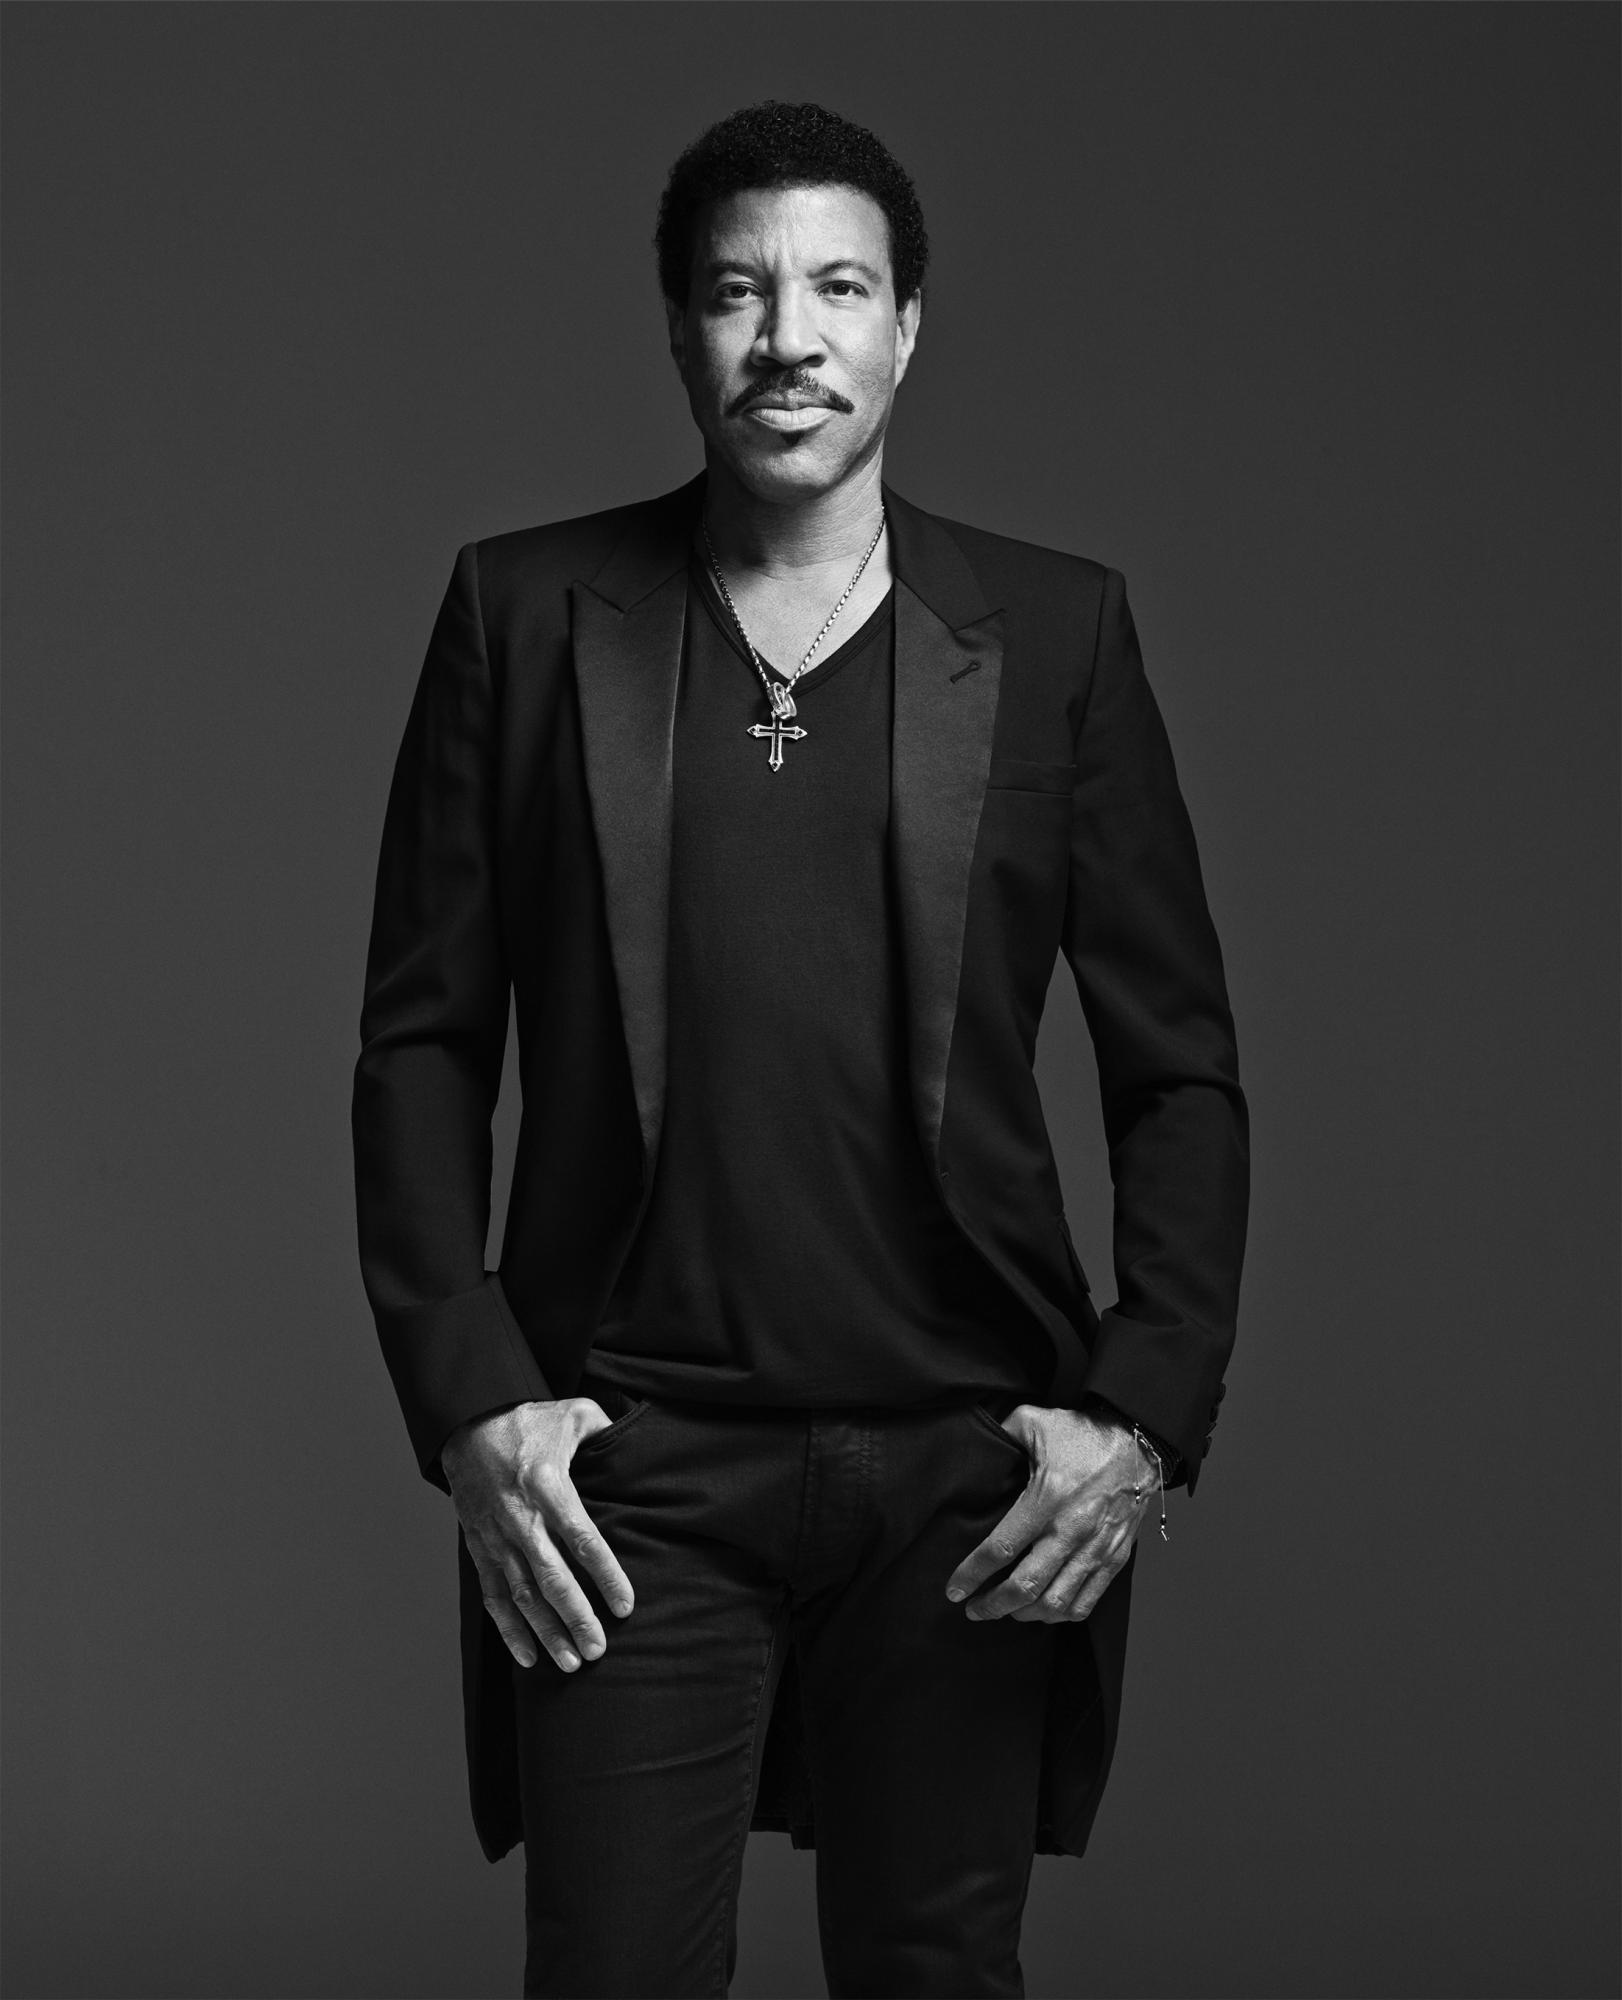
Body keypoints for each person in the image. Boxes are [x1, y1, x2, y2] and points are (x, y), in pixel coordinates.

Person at [351, 98, 1249, 2000]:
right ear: (680, 328)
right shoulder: (526, 616)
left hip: (964, 1472)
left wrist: (1140, 1416)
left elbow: (1176, 1066)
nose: (788, 337)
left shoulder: (1054, 635)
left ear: (906, 326)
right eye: (736, 291)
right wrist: (471, 1399)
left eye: (838, 288)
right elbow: (421, 1043)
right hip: (626, 1472)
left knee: (935, 1976)